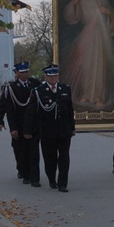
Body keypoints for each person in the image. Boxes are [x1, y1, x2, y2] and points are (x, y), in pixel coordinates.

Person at [62, 0, 114, 110]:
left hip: (101, 38)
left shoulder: (103, 0)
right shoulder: (83, 1)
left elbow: (112, 18)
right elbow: (74, 17)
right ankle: (86, 94)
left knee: (100, 67)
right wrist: (76, 1)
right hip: (87, 37)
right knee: (87, 66)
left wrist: (108, 13)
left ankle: (99, 97)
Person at [24, 64, 75, 192]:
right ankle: (52, 179)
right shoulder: (38, 91)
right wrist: (28, 130)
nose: (53, 78)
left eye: (55, 76)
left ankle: (62, 183)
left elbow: (70, 110)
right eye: (50, 76)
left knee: (64, 158)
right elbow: (31, 112)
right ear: (45, 77)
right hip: (47, 131)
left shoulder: (65, 89)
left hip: (64, 131)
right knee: (50, 158)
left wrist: (72, 127)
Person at [0, 61, 41, 184]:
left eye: (26, 72)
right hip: (18, 123)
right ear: (16, 73)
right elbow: (3, 106)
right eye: (22, 72)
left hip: (33, 124)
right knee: (20, 149)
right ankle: (22, 169)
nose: (25, 74)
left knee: (33, 150)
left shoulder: (35, 84)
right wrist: (0, 121)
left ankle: (32, 175)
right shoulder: (11, 88)